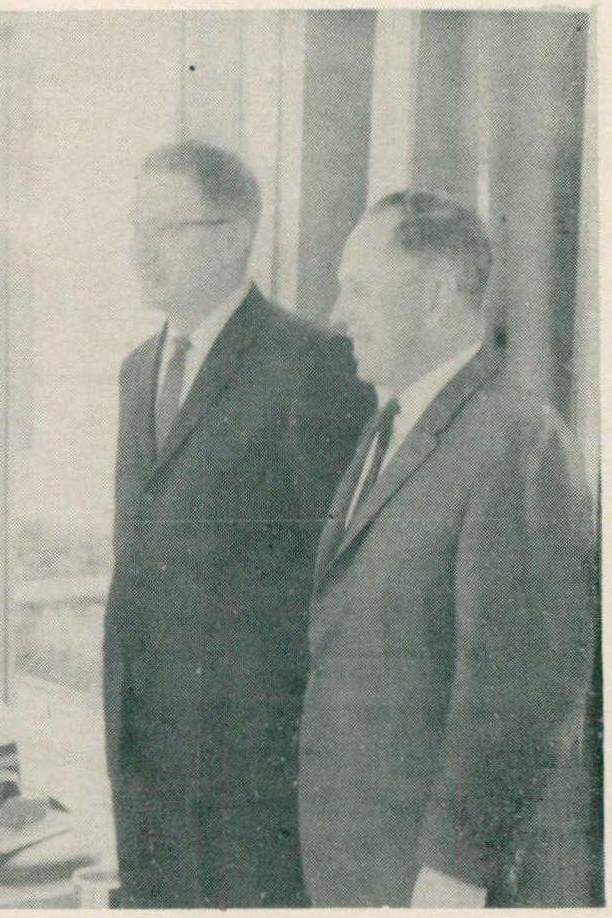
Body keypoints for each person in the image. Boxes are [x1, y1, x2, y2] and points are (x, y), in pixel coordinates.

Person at [298, 190, 597, 907]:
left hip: (430, 880)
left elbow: (522, 691)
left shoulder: (518, 442)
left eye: (360, 289)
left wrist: (456, 873)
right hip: (357, 862)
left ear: (434, 295)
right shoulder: (392, 422)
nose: (338, 314)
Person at [102, 141, 374, 907]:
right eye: (137, 227)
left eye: (166, 228)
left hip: (251, 779)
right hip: (143, 757)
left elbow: (337, 589)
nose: (142, 250)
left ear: (235, 237)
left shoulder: (314, 366)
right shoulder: (138, 369)